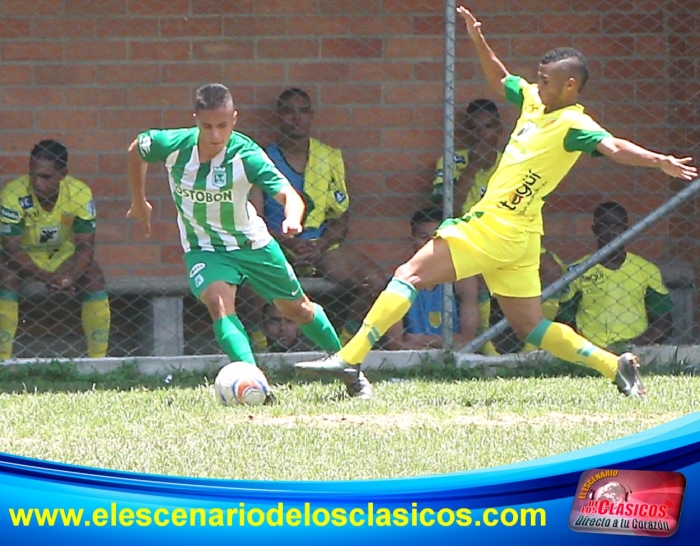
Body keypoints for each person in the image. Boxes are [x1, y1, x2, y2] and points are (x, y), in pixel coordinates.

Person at [294, 7, 697, 399]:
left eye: (546, 81)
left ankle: (351, 358)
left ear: (571, 85)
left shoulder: (575, 123)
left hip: (495, 226)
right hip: (520, 236)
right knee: (533, 328)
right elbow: (502, 77)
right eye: (538, 78)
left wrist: (657, 160)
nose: (538, 85)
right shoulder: (534, 102)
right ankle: (615, 366)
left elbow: (613, 146)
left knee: (408, 274)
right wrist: (477, 38)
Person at [125, 83, 373, 399]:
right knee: (218, 304)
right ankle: (256, 385)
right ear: (195, 119)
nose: (215, 134)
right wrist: (138, 200)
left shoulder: (246, 154)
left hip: (252, 244)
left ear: (235, 119)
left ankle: (351, 372)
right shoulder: (174, 145)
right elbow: (137, 149)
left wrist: (292, 218)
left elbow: (289, 195)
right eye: (207, 126)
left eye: (223, 126)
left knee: (298, 310)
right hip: (205, 247)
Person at [248, 88, 386, 347]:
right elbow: (255, 219)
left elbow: (341, 217)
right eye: (289, 111)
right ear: (279, 116)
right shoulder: (262, 159)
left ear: (312, 116)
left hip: (320, 247)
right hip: (277, 245)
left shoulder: (329, 157)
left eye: (302, 111)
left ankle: (346, 347)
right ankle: (260, 347)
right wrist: (288, 243)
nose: (296, 118)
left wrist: (320, 245)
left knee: (375, 281)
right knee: (248, 282)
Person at [0, 140, 110, 359]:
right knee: (5, 275)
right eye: (33, 175)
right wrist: (46, 277)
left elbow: (85, 247)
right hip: (25, 257)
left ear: (63, 174)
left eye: (45, 177)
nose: (36, 182)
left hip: (62, 256)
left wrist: (69, 277)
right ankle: (3, 361)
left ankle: (99, 361)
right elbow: (11, 249)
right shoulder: (13, 194)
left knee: (94, 275)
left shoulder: (79, 193)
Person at [556, 202, 673, 352]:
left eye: (617, 226)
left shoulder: (646, 270)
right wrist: (586, 348)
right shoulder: (577, 270)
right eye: (605, 226)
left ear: (626, 230)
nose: (611, 232)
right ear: (595, 229)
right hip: (590, 350)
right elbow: (564, 321)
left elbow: (663, 323)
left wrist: (631, 346)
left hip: (637, 348)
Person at [386, 207, 479, 350]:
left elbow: (468, 340)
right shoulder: (400, 281)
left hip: (447, 354)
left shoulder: (462, 280)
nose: (430, 243)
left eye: (437, 237)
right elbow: (396, 344)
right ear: (412, 241)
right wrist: (446, 343)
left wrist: (419, 339)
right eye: (424, 237)